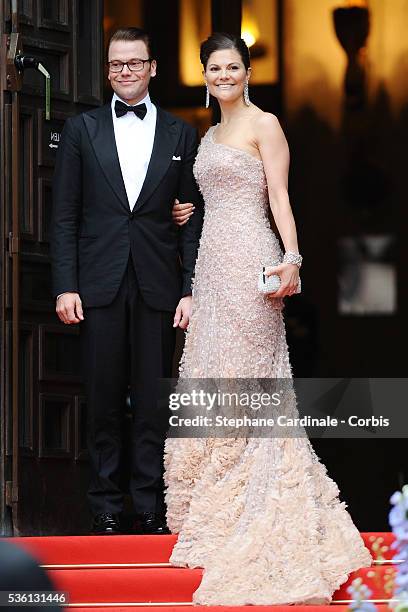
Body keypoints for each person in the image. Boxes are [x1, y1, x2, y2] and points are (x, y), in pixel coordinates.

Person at [164, 32, 372, 605]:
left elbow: (280, 197)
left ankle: (262, 509)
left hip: (253, 262)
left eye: (232, 66)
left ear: (247, 71)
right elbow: (207, 204)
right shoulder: (208, 135)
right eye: (214, 68)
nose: (223, 75)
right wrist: (187, 220)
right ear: (204, 75)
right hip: (211, 268)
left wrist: (292, 258)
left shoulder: (266, 124)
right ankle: (215, 504)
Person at [51, 27, 203, 536]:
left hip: (158, 283)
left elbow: (191, 216)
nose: (123, 72)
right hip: (98, 284)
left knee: (154, 399)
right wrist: (64, 284)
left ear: (153, 67)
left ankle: (149, 503)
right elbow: (65, 214)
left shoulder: (183, 133)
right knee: (104, 396)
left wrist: (189, 288)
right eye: (115, 64)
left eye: (133, 63)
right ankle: (106, 506)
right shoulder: (82, 129)